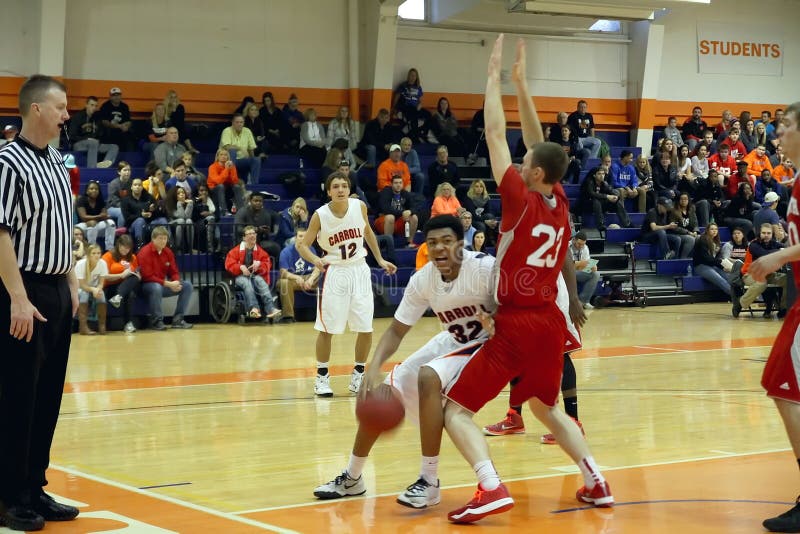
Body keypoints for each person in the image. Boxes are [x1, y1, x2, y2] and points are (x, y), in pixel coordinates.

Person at [431, 36, 612, 524]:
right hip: (550, 323)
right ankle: (596, 479)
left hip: (516, 324)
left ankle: (490, 487)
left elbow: (495, 134)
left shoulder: (519, 197)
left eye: (526, 163)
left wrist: (491, 81)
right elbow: (542, 148)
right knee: (547, 408)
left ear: (532, 174)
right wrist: (523, 85)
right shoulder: (560, 202)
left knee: (454, 411)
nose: (521, 161)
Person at [314, 215, 496, 508]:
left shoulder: (484, 268)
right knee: (383, 392)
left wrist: (498, 319)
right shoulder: (423, 278)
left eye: (446, 242)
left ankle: (429, 480)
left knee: (428, 378)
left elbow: (513, 306)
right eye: (432, 242)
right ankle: (353, 477)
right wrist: (372, 368)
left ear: (461, 245)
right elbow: (397, 330)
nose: (439, 248)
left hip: (488, 346)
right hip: (453, 342)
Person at [0, 74, 81, 531]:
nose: (67, 115)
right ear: (36, 109)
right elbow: (0, 231)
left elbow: (61, 226)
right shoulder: (9, 161)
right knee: (17, 395)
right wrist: (16, 296)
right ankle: (10, 495)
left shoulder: (56, 160)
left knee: (47, 394)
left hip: (54, 289)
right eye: (61, 107)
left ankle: (34, 485)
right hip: (21, 288)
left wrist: (70, 280)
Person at [747, 102, 800, 534]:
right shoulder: (794, 180)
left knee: (785, 390)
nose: (776, 133)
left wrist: (783, 252)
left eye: (785, 126)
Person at [295, 171, 396, 397]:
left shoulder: (359, 206)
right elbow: (302, 246)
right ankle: (322, 377)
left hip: (359, 269)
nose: (340, 189)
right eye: (336, 186)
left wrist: (379, 259)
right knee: (327, 328)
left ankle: (358, 374)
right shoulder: (320, 215)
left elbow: (368, 232)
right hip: (335, 272)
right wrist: (315, 260)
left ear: (349, 189)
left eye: (344, 185)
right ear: (328, 191)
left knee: (365, 327)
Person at [137, 226, 194, 330]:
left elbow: (174, 271)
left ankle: (178, 319)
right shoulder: (144, 253)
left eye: (165, 238)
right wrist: (168, 284)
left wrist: (176, 282)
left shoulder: (168, 252)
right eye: (160, 238)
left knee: (187, 286)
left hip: (163, 284)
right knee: (156, 287)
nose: (163, 241)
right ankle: (157, 321)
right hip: (146, 286)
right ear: (153, 239)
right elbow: (147, 276)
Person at [224, 225, 281, 321]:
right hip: (239, 277)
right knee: (247, 283)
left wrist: (259, 264)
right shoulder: (235, 251)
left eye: (254, 233)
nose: (252, 236)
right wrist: (240, 267)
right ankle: (254, 308)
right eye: (249, 234)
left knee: (261, 281)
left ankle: (270, 308)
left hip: (254, 275)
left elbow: (267, 263)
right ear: (244, 237)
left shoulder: (259, 250)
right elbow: (228, 265)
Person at [277, 228, 319, 324]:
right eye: (300, 236)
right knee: (284, 282)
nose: (302, 239)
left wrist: (311, 279)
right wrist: (297, 278)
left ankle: (324, 314)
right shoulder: (286, 252)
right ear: (295, 238)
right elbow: (283, 272)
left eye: (305, 236)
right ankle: (288, 316)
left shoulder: (311, 249)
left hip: (308, 278)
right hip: (293, 279)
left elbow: (317, 267)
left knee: (324, 277)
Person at [102, 234, 141, 334]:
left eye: (128, 248)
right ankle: (128, 323)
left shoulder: (132, 257)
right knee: (129, 293)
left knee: (134, 280)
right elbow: (104, 276)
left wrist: (137, 275)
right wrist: (121, 275)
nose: (126, 250)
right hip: (110, 286)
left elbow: (138, 274)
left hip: (125, 286)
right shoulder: (108, 256)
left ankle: (118, 297)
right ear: (118, 244)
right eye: (124, 247)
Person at [67, 95, 117, 168]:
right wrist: (87, 139)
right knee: (93, 142)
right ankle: (92, 168)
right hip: (78, 144)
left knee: (114, 147)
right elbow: (71, 136)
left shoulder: (97, 118)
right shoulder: (78, 117)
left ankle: (103, 167)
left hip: (94, 144)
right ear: (86, 105)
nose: (94, 108)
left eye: (96, 106)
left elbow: (100, 134)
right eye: (92, 105)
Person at [376, 174, 419, 248]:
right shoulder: (386, 192)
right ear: (391, 184)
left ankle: (409, 242)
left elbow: (415, 207)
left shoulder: (405, 193)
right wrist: (402, 213)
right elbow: (385, 209)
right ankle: (388, 244)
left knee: (414, 217)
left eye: (400, 183)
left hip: (398, 222)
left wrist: (410, 212)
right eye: (396, 183)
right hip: (383, 221)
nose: (398, 185)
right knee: (390, 217)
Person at [75, 244, 109, 335]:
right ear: (88, 255)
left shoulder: (103, 263)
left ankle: (102, 325)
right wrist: (93, 290)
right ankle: (83, 327)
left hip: (94, 287)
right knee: (84, 295)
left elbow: (101, 283)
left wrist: (97, 289)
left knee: (101, 295)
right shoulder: (80, 264)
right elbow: (82, 285)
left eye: (98, 253)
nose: (97, 255)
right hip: (79, 288)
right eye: (94, 253)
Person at [692, 223, 732, 296]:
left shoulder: (717, 242)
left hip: (712, 265)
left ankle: (742, 294)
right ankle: (737, 297)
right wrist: (720, 262)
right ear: (707, 230)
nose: (714, 231)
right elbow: (705, 258)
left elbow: (717, 258)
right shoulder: (702, 239)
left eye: (716, 229)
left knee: (728, 277)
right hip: (701, 266)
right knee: (720, 280)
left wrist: (723, 267)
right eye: (712, 229)